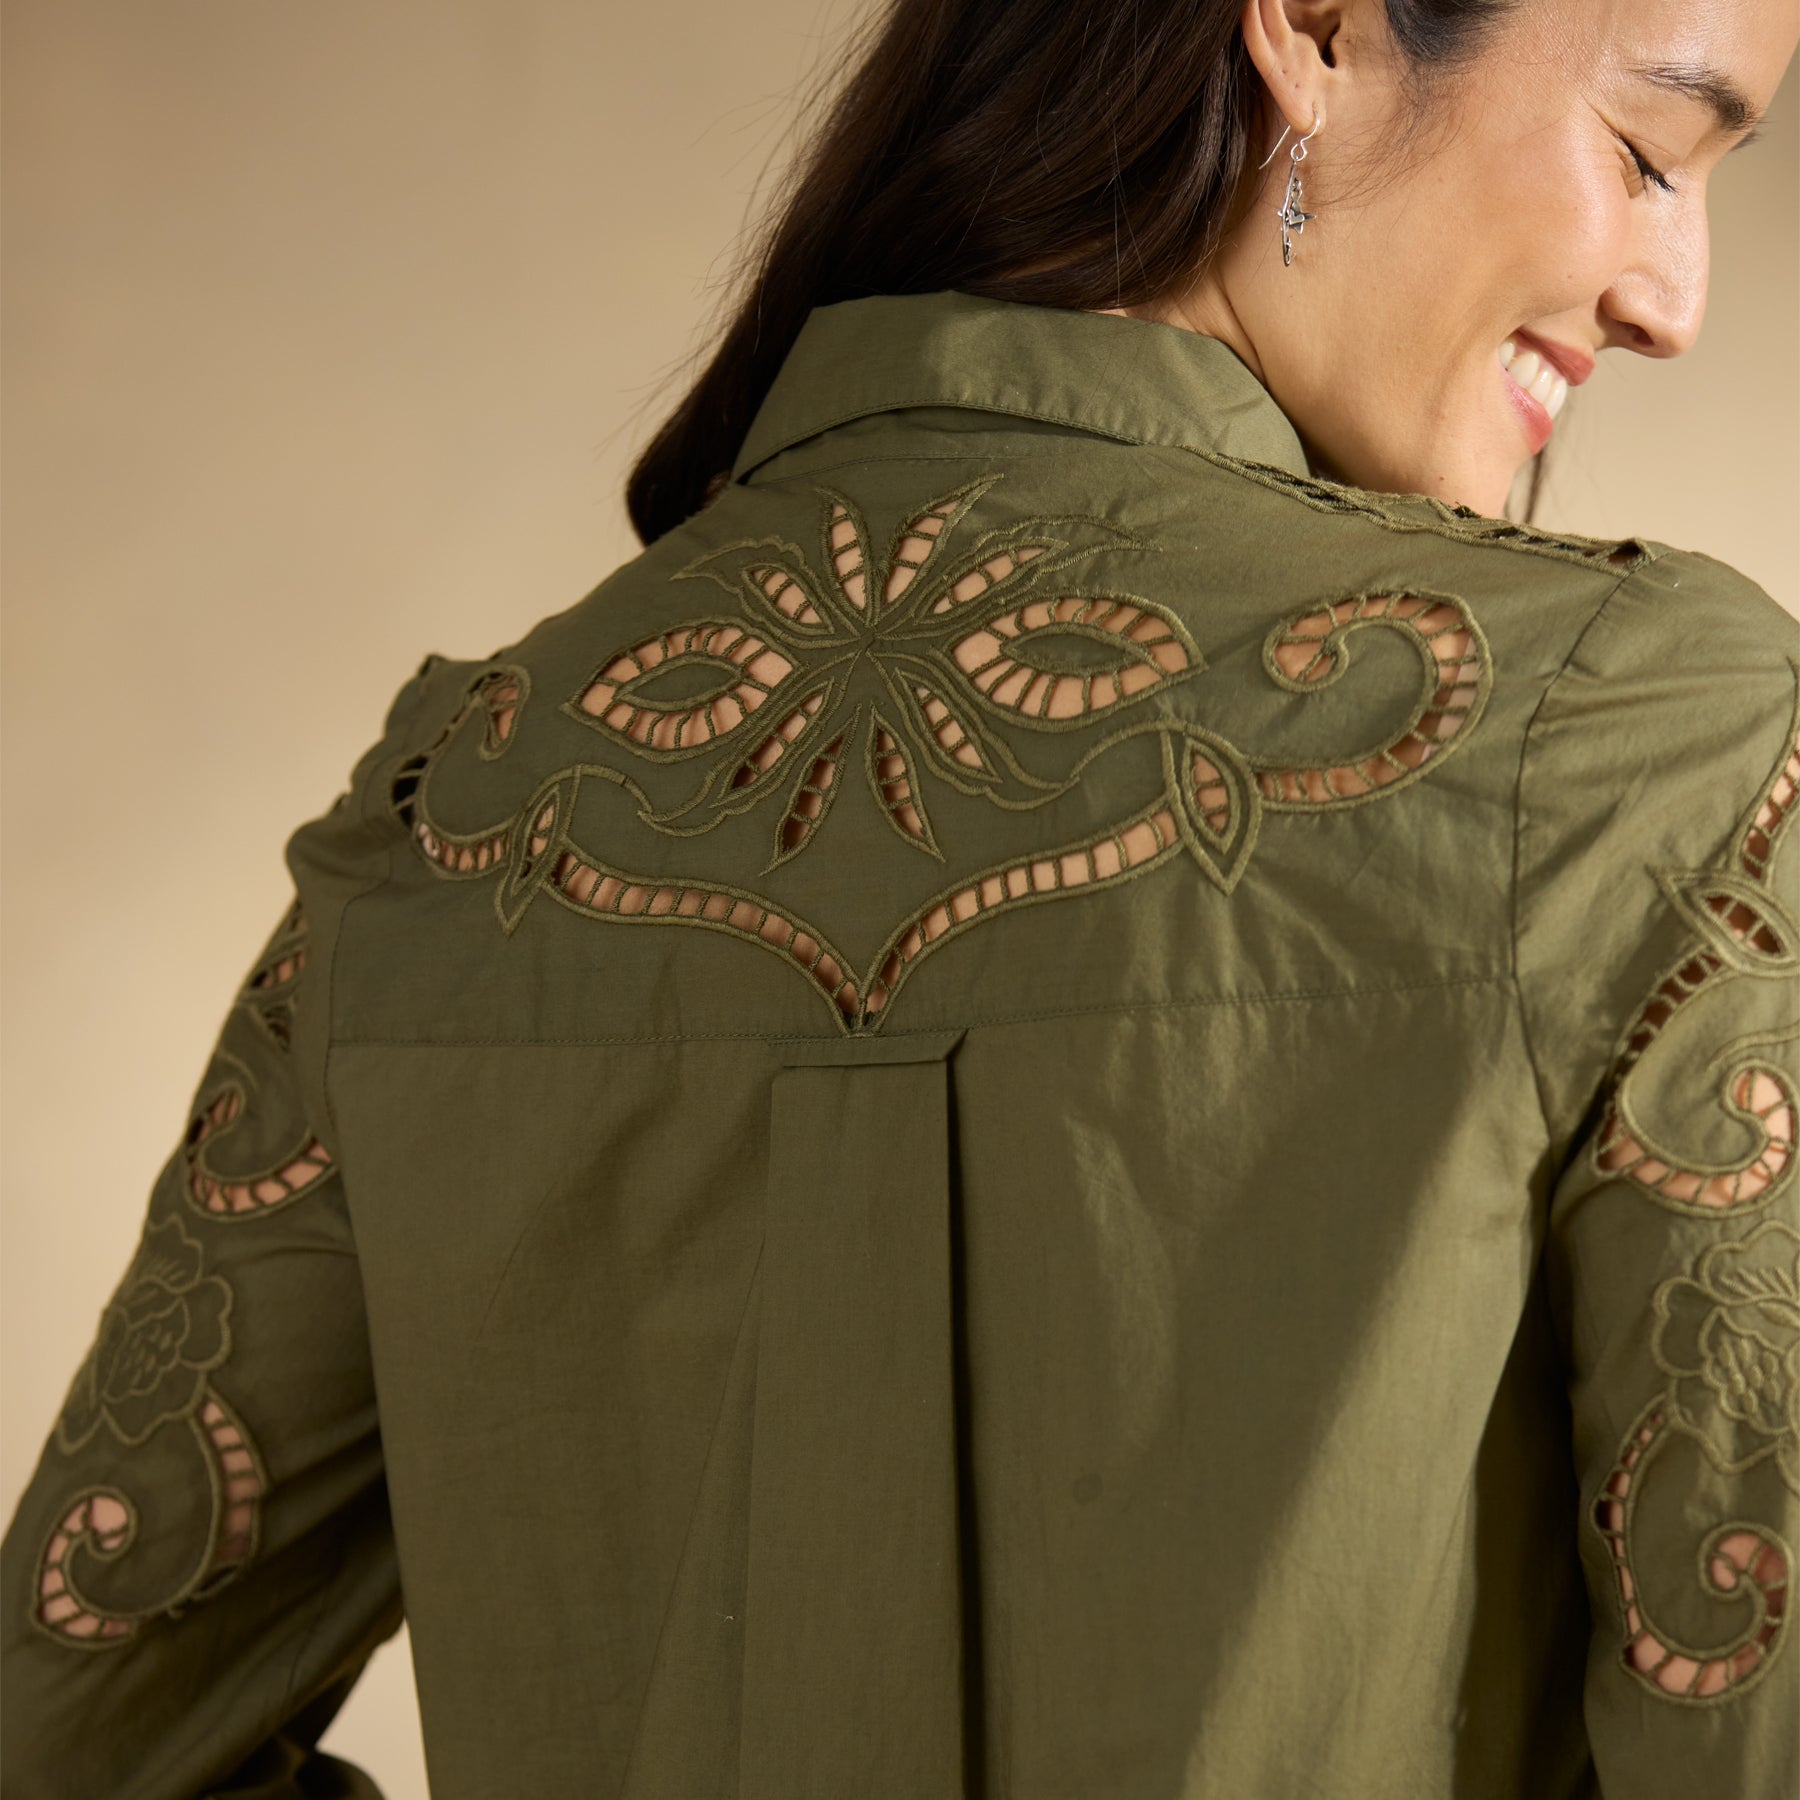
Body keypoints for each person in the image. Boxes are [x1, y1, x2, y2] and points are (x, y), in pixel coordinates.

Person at [4, 0, 1796, 1793]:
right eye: (1648, 154)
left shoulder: (462, 805)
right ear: (1314, 28)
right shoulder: (1648, 748)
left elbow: (69, 1752)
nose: (1676, 301)